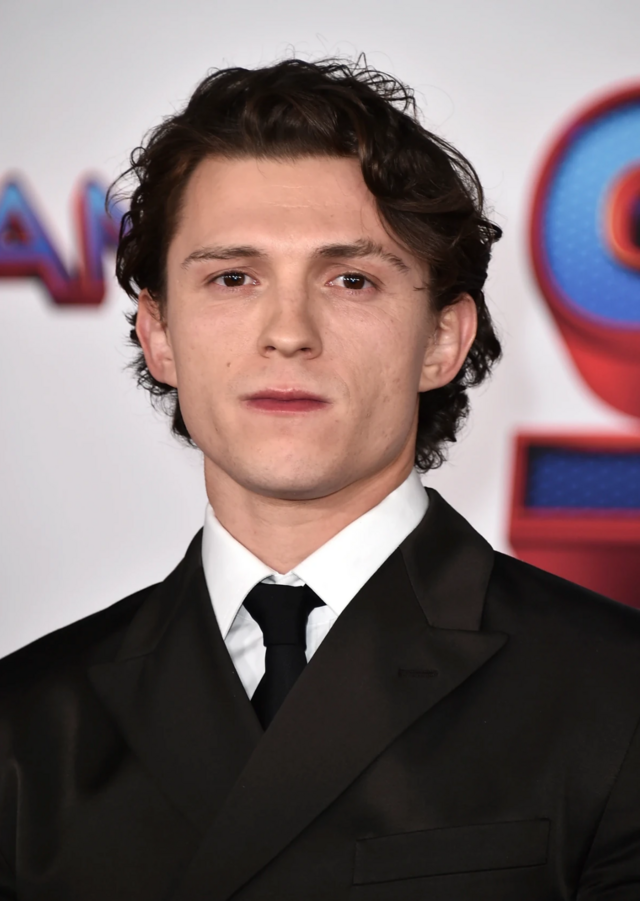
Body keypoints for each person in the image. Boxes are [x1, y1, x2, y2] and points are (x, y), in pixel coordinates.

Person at [1, 58, 640, 901]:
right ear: (158, 333)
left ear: (442, 340)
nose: (289, 332)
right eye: (234, 278)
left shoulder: (617, 695)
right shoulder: (23, 722)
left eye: (351, 280)